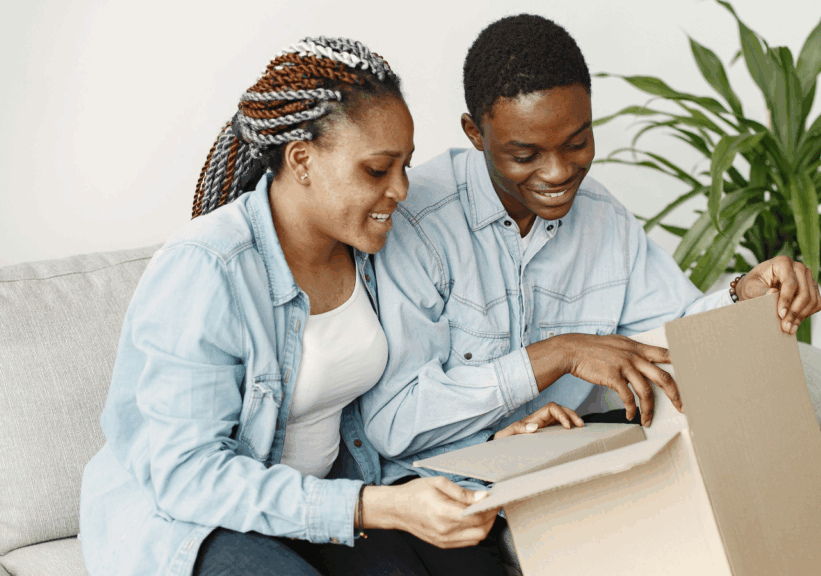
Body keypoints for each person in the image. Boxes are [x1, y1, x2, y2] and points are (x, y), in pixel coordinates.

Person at [78, 36, 574, 576]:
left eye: (405, 166)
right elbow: (188, 475)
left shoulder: (371, 249)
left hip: (325, 500)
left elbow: (396, 407)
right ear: (301, 160)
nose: (402, 190)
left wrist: (493, 442)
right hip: (194, 520)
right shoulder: (207, 267)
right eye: (377, 170)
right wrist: (371, 506)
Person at [360, 14, 821, 488]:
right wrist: (559, 354)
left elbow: (670, 341)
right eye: (525, 156)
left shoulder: (604, 219)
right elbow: (395, 422)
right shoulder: (414, 221)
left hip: (557, 471)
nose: (559, 172)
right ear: (475, 133)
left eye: (578, 142)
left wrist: (740, 296)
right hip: (435, 485)